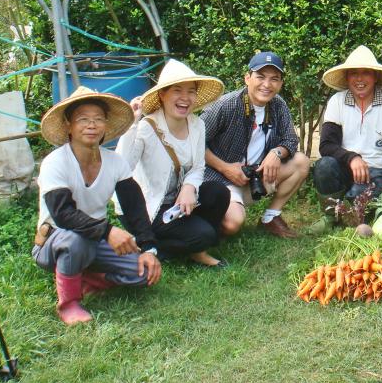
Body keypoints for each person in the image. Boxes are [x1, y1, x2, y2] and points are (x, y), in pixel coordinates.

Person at [32, 87, 162, 325]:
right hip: (56, 241)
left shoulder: (115, 162)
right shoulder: (55, 162)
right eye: (83, 119)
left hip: (95, 240)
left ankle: (86, 277)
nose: (91, 125)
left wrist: (149, 248)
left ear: (105, 126)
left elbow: (134, 205)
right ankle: (68, 303)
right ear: (69, 126)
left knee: (145, 273)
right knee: (74, 241)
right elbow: (63, 215)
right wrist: (108, 231)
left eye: (98, 119)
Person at [116, 59, 230, 267]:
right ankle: (149, 246)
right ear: (162, 94)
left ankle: (193, 246)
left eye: (191, 92)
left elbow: (197, 167)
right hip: (148, 207)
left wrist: (188, 187)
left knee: (218, 192)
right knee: (205, 235)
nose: (185, 98)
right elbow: (122, 167)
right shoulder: (146, 128)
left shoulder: (197, 125)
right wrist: (130, 126)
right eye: (177, 91)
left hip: (176, 202)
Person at [201, 51, 310, 238]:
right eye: (260, 77)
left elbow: (290, 140)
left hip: (254, 177)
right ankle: (202, 222)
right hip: (218, 180)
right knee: (232, 225)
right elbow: (194, 143)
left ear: (281, 83)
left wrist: (276, 153)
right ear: (247, 78)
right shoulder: (226, 105)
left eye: (274, 79)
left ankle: (270, 218)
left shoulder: (278, 105)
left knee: (301, 162)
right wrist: (226, 168)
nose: (267, 85)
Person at [312, 45, 382, 230]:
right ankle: (331, 216)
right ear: (347, 77)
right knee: (324, 166)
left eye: (365, 73)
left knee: (360, 202)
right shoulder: (337, 101)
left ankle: (352, 210)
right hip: (344, 167)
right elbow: (327, 145)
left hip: (377, 171)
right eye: (354, 73)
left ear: (375, 76)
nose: (359, 79)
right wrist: (352, 157)